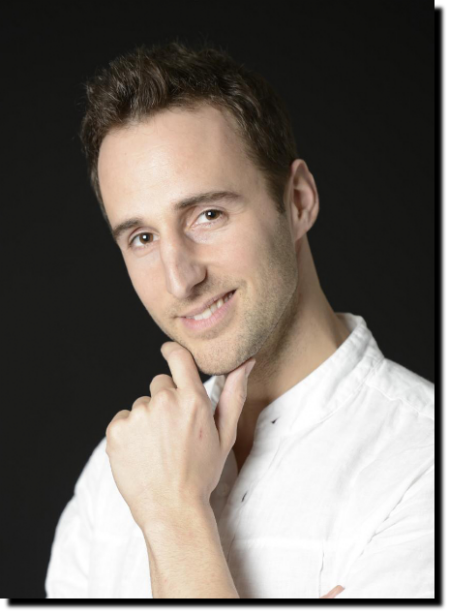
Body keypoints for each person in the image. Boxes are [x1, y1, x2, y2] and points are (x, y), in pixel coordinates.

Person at [45, 39, 434, 598]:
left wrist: (174, 517)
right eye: (142, 237)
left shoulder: (419, 467)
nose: (180, 279)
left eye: (207, 214)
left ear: (297, 201)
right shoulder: (115, 475)